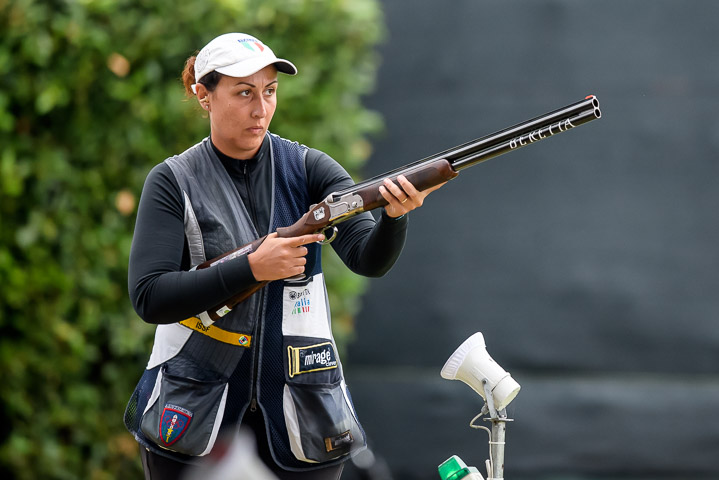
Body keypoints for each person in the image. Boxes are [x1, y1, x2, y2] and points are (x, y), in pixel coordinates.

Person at [123, 32, 443, 480]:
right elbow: (150, 296)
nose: (261, 109)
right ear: (203, 95)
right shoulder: (172, 181)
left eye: (270, 91)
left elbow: (367, 259)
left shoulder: (311, 168)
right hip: (193, 415)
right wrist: (251, 268)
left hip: (304, 416)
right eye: (244, 93)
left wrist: (395, 216)